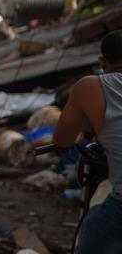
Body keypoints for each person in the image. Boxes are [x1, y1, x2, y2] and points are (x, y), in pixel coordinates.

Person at [54, 30, 122, 253]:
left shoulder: (90, 86)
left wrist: (91, 126)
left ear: (103, 62)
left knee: (94, 228)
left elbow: (62, 139)